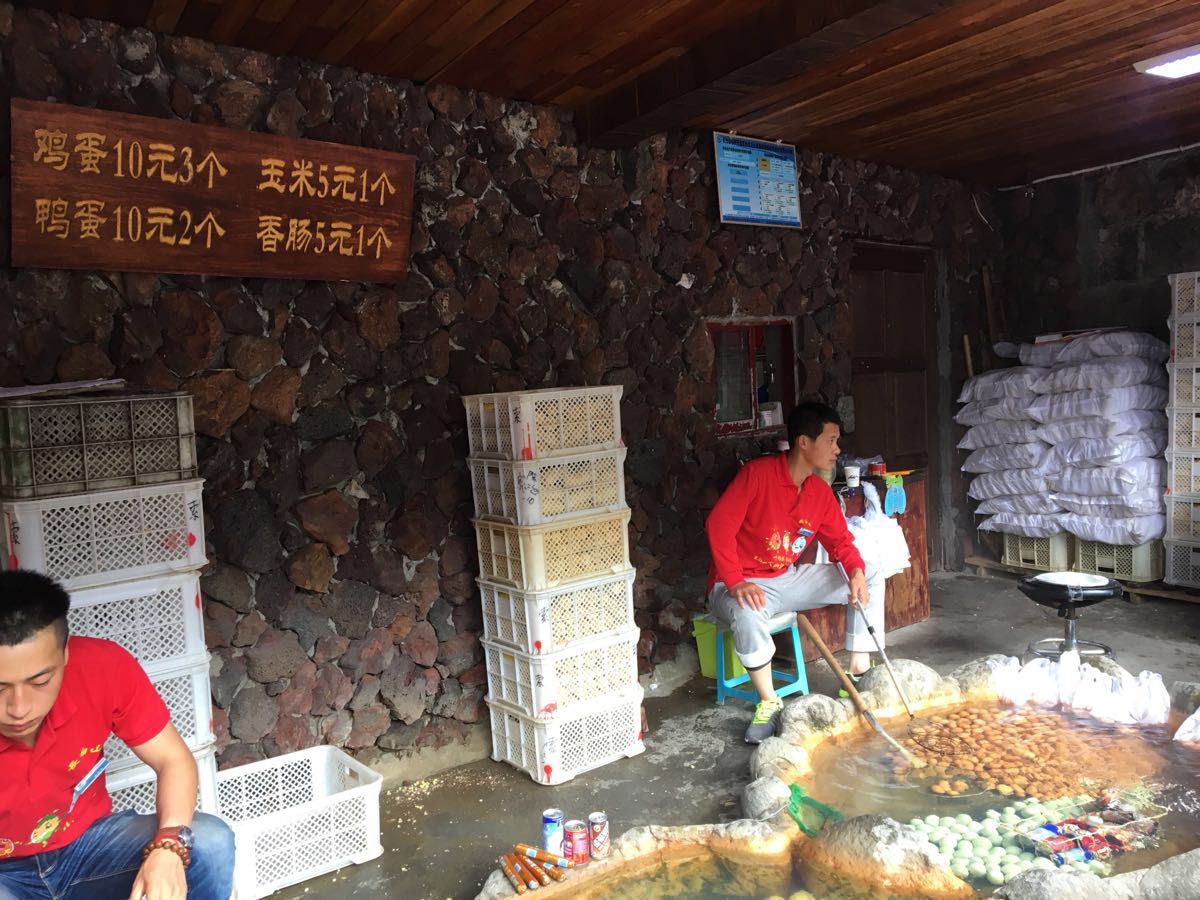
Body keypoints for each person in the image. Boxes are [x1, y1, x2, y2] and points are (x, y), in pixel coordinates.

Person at [0, 570, 235, 900]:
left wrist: (169, 845)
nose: (19, 708)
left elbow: (172, 759)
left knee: (211, 843)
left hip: (88, 848)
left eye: (40, 681)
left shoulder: (101, 667)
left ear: (64, 654)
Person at [706, 401, 886, 744]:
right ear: (804, 442)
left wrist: (856, 572)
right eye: (831, 440)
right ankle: (769, 702)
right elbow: (718, 525)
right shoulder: (757, 475)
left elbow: (841, 543)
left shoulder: (819, 492)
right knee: (748, 612)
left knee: (871, 571)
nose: (837, 449)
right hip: (739, 583)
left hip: (786, 579)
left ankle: (857, 670)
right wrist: (735, 582)